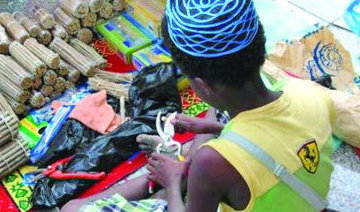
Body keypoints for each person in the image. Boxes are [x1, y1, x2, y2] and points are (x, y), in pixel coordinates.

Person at [63, 0, 335, 211]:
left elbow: (245, 152)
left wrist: (172, 182)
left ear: (202, 87)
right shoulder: (311, 93)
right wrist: (212, 126)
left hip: (207, 177)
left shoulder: (213, 161)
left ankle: (169, 187)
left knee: (72, 208)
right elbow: (273, 139)